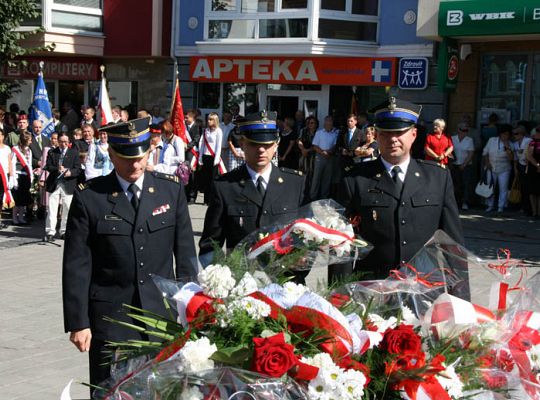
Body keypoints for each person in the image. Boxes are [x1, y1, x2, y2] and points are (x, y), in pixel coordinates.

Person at [62, 116, 198, 390]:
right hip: (111, 319)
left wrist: (192, 311)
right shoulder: (90, 197)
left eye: (140, 156)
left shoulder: (170, 191)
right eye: (125, 157)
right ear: (110, 154)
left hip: (161, 317)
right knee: (110, 392)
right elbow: (77, 264)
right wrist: (78, 322)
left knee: (163, 392)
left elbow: (185, 257)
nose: (134, 164)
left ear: (150, 151)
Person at [337, 97, 463, 281]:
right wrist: (340, 295)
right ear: (377, 135)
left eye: (399, 132)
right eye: (386, 133)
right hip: (372, 293)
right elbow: (341, 244)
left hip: (425, 290)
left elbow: (453, 245)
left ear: (413, 134)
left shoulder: (437, 178)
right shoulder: (355, 179)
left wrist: (460, 301)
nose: (393, 139)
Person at [199, 110, 306, 280]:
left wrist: (302, 261)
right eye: (254, 144)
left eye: (268, 144)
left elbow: (307, 237)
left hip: (287, 285)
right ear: (242, 143)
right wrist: (217, 283)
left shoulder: (295, 183)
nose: (262, 150)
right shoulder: (225, 186)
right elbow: (211, 245)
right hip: (242, 286)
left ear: (277, 144)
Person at [43, 133, 80, 241]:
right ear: (57, 141)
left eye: (65, 142)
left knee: (67, 208)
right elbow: (48, 166)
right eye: (61, 142)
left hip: (68, 184)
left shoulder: (74, 153)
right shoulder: (52, 152)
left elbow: (78, 169)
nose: (63, 144)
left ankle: (64, 231)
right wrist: (56, 169)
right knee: (52, 208)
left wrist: (70, 173)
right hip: (55, 184)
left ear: (69, 143)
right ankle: (50, 232)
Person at [482, 124, 514, 214]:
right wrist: (487, 163)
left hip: (504, 168)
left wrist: (507, 147)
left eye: (507, 134)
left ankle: (501, 207)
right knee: (490, 186)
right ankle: (490, 205)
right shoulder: (492, 140)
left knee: (503, 188)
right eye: (504, 134)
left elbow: (511, 158)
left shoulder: (510, 144)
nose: (505, 136)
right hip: (491, 167)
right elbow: (485, 152)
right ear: (500, 134)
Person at [197, 112, 224, 204]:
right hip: (205, 156)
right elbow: (202, 144)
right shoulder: (205, 131)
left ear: (215, 120)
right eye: (208, 119)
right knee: (206, 179)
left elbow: (218, 146)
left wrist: (216, 159)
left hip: (213, 157)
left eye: (211, 119)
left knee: (213, 179)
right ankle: (206, 199)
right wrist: (200, 158)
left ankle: (212, 200)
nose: (208, 121)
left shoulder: (218, 131)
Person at [310, 116, 339, 200]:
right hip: (319, 156)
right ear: (324, 123)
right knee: (316, 178)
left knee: (327, 178)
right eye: (327, 122)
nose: (328, 124)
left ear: (332, 123)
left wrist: (328, 152)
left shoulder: (335, 133)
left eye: (330, 122)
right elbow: (315, 145)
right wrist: (323, 152)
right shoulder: (319, 132)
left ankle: (324, 197)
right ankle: (313, 197)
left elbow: (335, 145)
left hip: (330, 156)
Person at [10, 132, 34, 225]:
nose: (31, 142)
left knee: (24, 199)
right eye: (30, 140)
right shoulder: (15, 149)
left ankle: (21, 217)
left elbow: (30, 164)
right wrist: (13, 178)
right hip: (17, 175)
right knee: (17, 199)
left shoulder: (29, 150)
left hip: (25, 176)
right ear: (25, 140)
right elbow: (12, 164)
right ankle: (14, 218)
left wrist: (31, 177)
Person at [450, 123, 475, 210]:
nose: (465, 132)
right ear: (458, 130)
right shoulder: (453, 138)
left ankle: (465, 202)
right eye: (463, 130)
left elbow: (471, 153)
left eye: (466, 130)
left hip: (466, 165)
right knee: (456, 184)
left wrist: (464, 164)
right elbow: (449, 150)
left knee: (466, 184)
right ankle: (456, 202)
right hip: (454, 165)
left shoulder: (469, 140)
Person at [511, 125, 532, 215]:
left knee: (528, 188)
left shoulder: (528, 141)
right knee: (522, 187)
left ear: (522, 134)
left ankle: (529, 208)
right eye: (513, 134)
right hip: (520, 165)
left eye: (516, 134)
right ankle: (523, 206)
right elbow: (515, 157)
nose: (514, 136)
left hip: (529, 166)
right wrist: (516, 168)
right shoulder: (515, 144)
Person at [297, 116, 318, 198]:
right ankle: (301, 192)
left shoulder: (318, 132)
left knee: (312, 174)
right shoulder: (303, 130)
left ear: (316, 124)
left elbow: (317, 145)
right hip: (303, 155)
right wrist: (303, 149)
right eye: (309, 123)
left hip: (313, 156)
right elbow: (299, 140)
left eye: (312, 123)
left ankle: (309, 194)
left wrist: (307, 150)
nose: (310, 124)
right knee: (302, 172)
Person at [38, 132, 59, 211]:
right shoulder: (47, 149)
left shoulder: (61, 149)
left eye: (56, 139)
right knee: (49, 199)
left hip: (58, 175)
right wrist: (42, 178)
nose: (54, 140)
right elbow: (43, 165)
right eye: (52, 138)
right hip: (48, 175)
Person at [185, 110, 201, 203]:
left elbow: (197, 138)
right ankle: (186, 194)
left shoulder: (196, 127)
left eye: (187, 117)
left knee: (193, 175)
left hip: (192, 152)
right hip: (185, 153)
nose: (185, 119)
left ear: (192, 118)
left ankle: (192, 195)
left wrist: (188, 146)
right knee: (186, 173)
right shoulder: (184, 127)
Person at [0, 128, 15, 229]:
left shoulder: (7, 148)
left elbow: (10, 163)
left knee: (1, 199)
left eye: (0, 135)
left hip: (4, 177)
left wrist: (11, 177)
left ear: (3, 136)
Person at [525, 127, 540, 219]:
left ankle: (539, 212)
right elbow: (529, 156)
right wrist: (538, 165)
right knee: (533, 192)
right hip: (533, 169)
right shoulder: (532, 142)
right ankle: (534, 212)